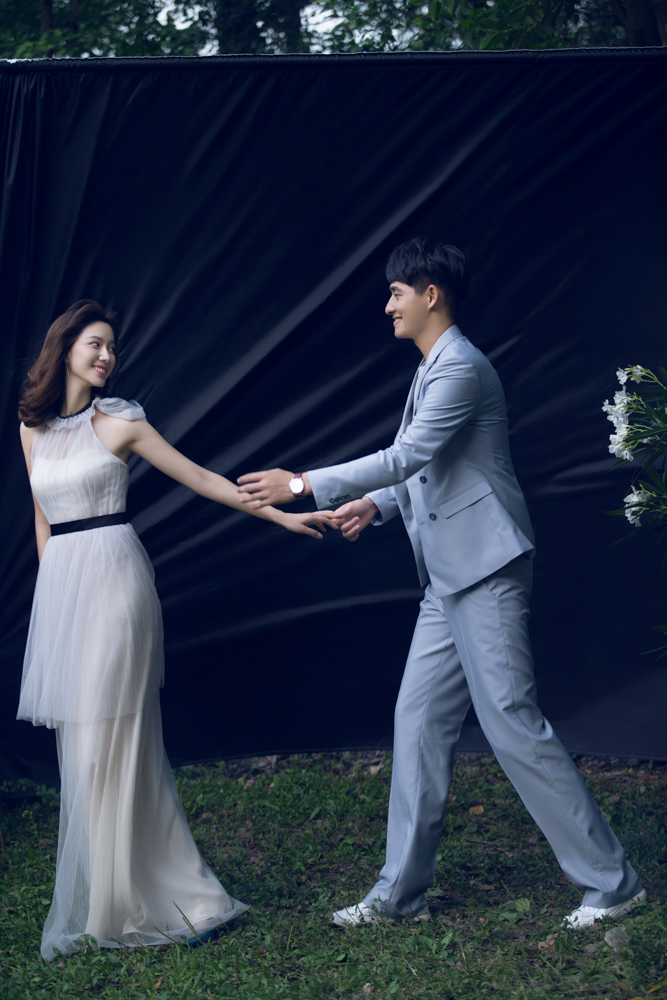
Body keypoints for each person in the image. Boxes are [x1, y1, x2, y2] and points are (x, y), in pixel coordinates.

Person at [235, 237, 645, 931]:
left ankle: (612, 882)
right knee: (418, 721)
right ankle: (400, 895)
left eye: (396, 293)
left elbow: (411, 452)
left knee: (510, 722)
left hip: (486, 570)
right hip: (447, 578)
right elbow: (425, 467)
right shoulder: (433, 367)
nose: (387, 306)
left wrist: (302, 483)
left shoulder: (461, 366)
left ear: (431, 294)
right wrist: (377, 505)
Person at [17, 300, 335, 961]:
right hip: (65, 589)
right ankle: (113, 899)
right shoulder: (31, 429)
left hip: (116, 584)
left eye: (112, 347)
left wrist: (282, 516)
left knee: (114, 740)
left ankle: (142, 900)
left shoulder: (122, 422)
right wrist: (54, 607)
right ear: (66, 346)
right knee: (83, 746)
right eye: (96, 344)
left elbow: (202, 479)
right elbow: (43, 522)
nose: (107, 356)